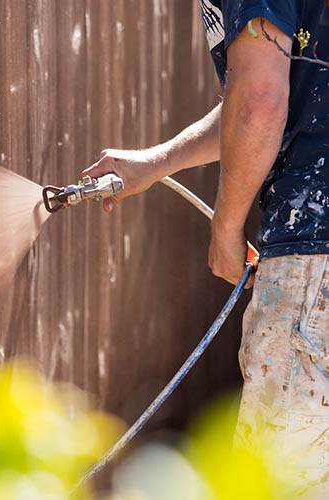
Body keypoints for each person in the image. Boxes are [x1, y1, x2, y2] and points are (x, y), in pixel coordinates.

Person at [84, 0, 329, 495]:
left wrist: (227, 226)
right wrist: (157, 161)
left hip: (314, 252)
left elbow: (260, 100)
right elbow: (273, 95)